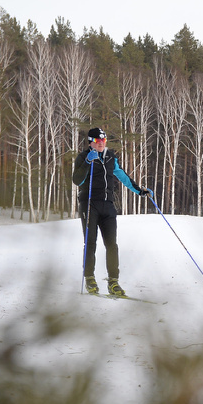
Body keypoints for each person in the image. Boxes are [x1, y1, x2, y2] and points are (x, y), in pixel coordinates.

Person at [72, 127, 150, 297]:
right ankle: (89, 278)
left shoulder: (110, 157)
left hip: (107, 205)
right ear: (91, 142)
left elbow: (122, 175)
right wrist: (87, 163)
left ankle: (113, 282)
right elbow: (77, 180)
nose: (101, 144)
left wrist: (139, 190)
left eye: (104, 141)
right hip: (89, 205)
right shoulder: (83, 157)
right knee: (91, 243)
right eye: (98, 142)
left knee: (112, 245)